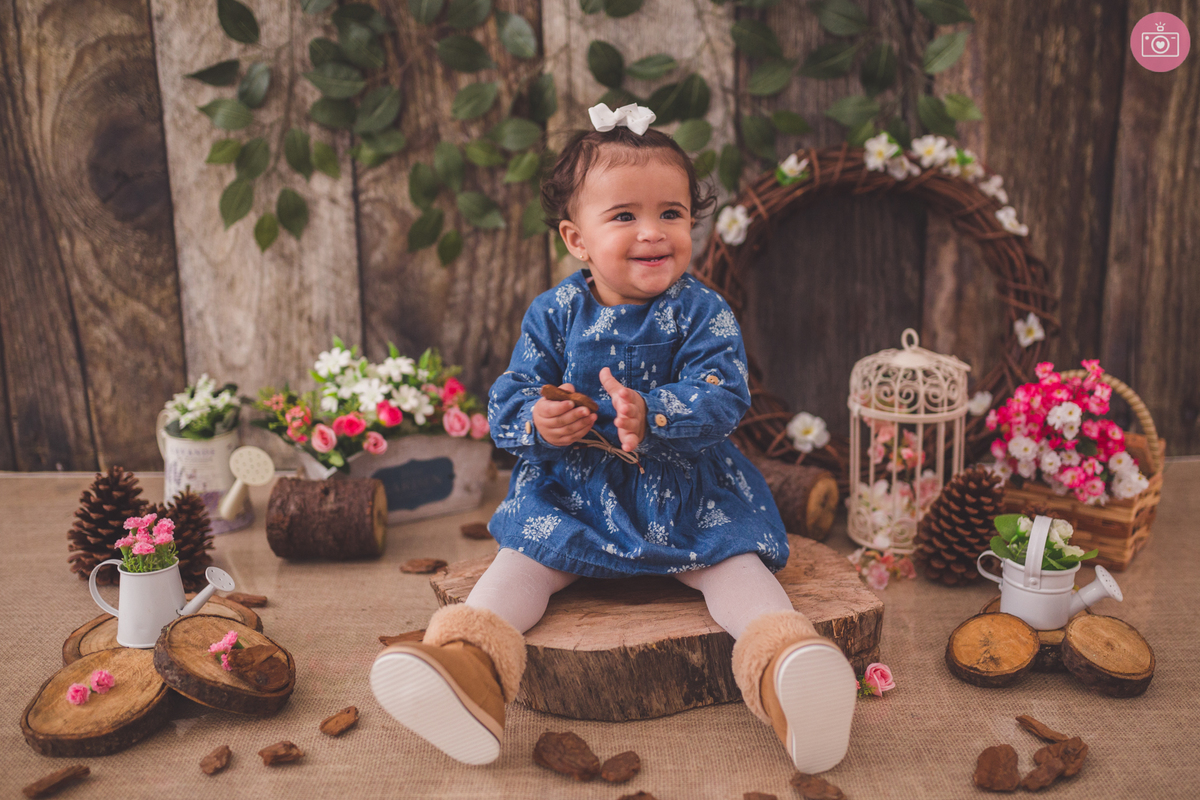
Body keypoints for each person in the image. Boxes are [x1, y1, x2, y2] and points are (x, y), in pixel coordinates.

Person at [370, 103, 857, 772]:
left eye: (672, 213)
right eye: (625, 215)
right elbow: (510, 396)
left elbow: (724, 396)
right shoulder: (554, 313)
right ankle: (469, 671)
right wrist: (541, 423)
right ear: (577, 238)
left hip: (687, 495)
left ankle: (785, 672)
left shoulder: (702, 310)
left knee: (734, 568)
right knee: (520, 564)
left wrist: (653, 414)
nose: (653, 232)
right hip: (575, 494)